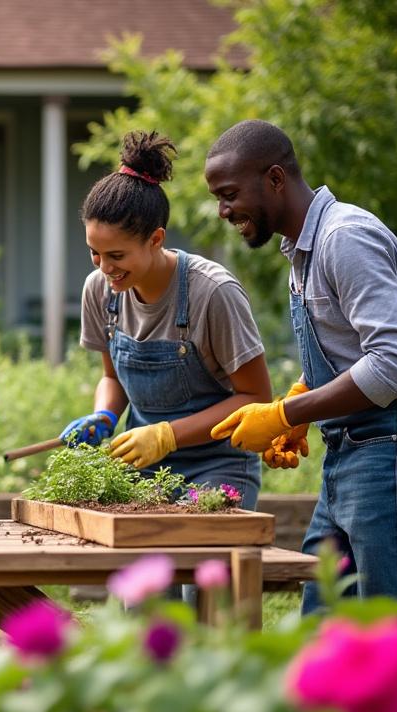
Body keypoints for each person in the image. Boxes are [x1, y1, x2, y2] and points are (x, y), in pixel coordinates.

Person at [206, 119, 397, 623]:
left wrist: (283, 412)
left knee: (389, 634)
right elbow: (354, 349)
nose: (223, 211)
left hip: (396, 446)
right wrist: (305, 399)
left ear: (275, 178)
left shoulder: (345, 237)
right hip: (355, 452)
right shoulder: (303, 250)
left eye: (230, 194)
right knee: (321, 629)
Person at [60, 131, 273, 512]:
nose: (105, 268)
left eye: (117, 255)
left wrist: (167, 436)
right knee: (144, 574)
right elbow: (112, 378)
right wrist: (105, 414)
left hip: (218, 466)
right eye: (95, 253)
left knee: (202, 573)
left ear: (156, 239)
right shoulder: (100, 290)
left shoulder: (212, 292)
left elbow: (256, 398)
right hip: (142, 471)